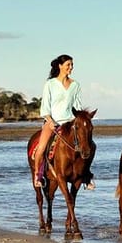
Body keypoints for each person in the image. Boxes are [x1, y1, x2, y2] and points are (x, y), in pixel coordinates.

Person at [33, 54, 84, 188]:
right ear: (60, 66)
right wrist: (50, 121)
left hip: (70, 122)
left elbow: (77, 107)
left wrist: (78, 120)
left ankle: (86, 175)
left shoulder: (75, 85)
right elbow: (45, 107)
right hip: (53, 122)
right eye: (68, 65)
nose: (71, 67)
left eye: (72, 65)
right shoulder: (50, 84)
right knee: (41, 148)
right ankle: (38, 175)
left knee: (88, 145)